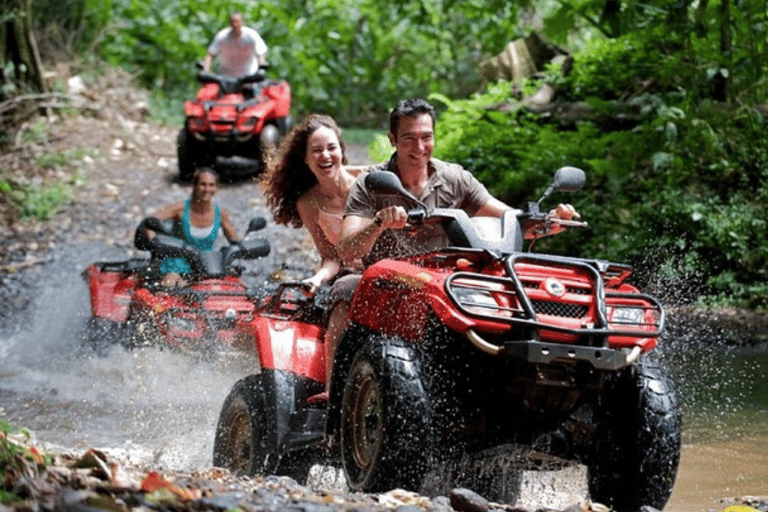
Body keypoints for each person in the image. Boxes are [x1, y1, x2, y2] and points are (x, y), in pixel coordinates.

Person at [318, 98, 578, 403]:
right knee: (344, 287)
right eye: (409, 139)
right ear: (392, 140)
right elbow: (348, 249)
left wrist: (550, 220)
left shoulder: (454, 178)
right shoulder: (371, 184)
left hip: (445, 284)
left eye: (426, 137)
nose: (419, 147)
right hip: (388, 284)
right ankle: (334, 394)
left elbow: (510, 219)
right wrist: (378, 223)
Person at [262, 114, 365, 292]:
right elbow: (330, 257)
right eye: (316, 150)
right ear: (305, 158)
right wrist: (317, 279)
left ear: (341, 150)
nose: (325, 155)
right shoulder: (307, 203)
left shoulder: (366, 183)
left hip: (383, 270)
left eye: (331, 147)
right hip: (345, 278)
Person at [147, 167, 241, 286]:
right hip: (177, 266)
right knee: (170, 283)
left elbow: (236, 242)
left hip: (207, 266)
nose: (207, 189)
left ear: (216, 188)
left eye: (211, 185)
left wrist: (245, 249)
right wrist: (155, 245)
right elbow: (149, 223)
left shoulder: (220, 214)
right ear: (195, 186)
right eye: (203, 184)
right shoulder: (180, 209)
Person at [203, 12, 267, 77]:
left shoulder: (251, 35)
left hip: (249, 76)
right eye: (232, 22)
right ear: (229, 23)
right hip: (226, 77)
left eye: (237, 22)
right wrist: (205, 71)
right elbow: (210, 54)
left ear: (242, 22)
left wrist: (261, 69)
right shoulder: (222, 36)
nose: (235, 24)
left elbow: (260, 53)